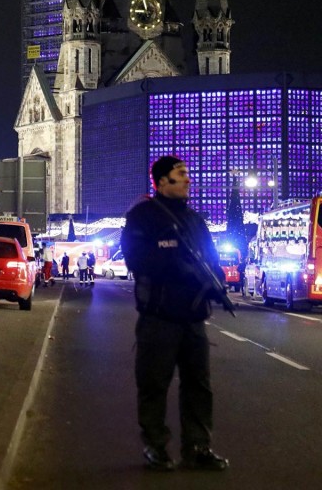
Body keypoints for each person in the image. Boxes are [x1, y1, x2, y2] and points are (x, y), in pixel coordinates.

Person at [121, 155, 229, 472]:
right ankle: (155, 446)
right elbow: (136, 260)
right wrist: (178, 269)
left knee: (199, 385)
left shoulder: (195, 221)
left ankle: (197, 447)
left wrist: (215, 282)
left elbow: (210, 258)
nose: (187, 179)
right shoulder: (143, 216)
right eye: (180, 174)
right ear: (162, 182)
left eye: (186, 174)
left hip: (193, 317)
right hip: (159, 316)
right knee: (154, 384)